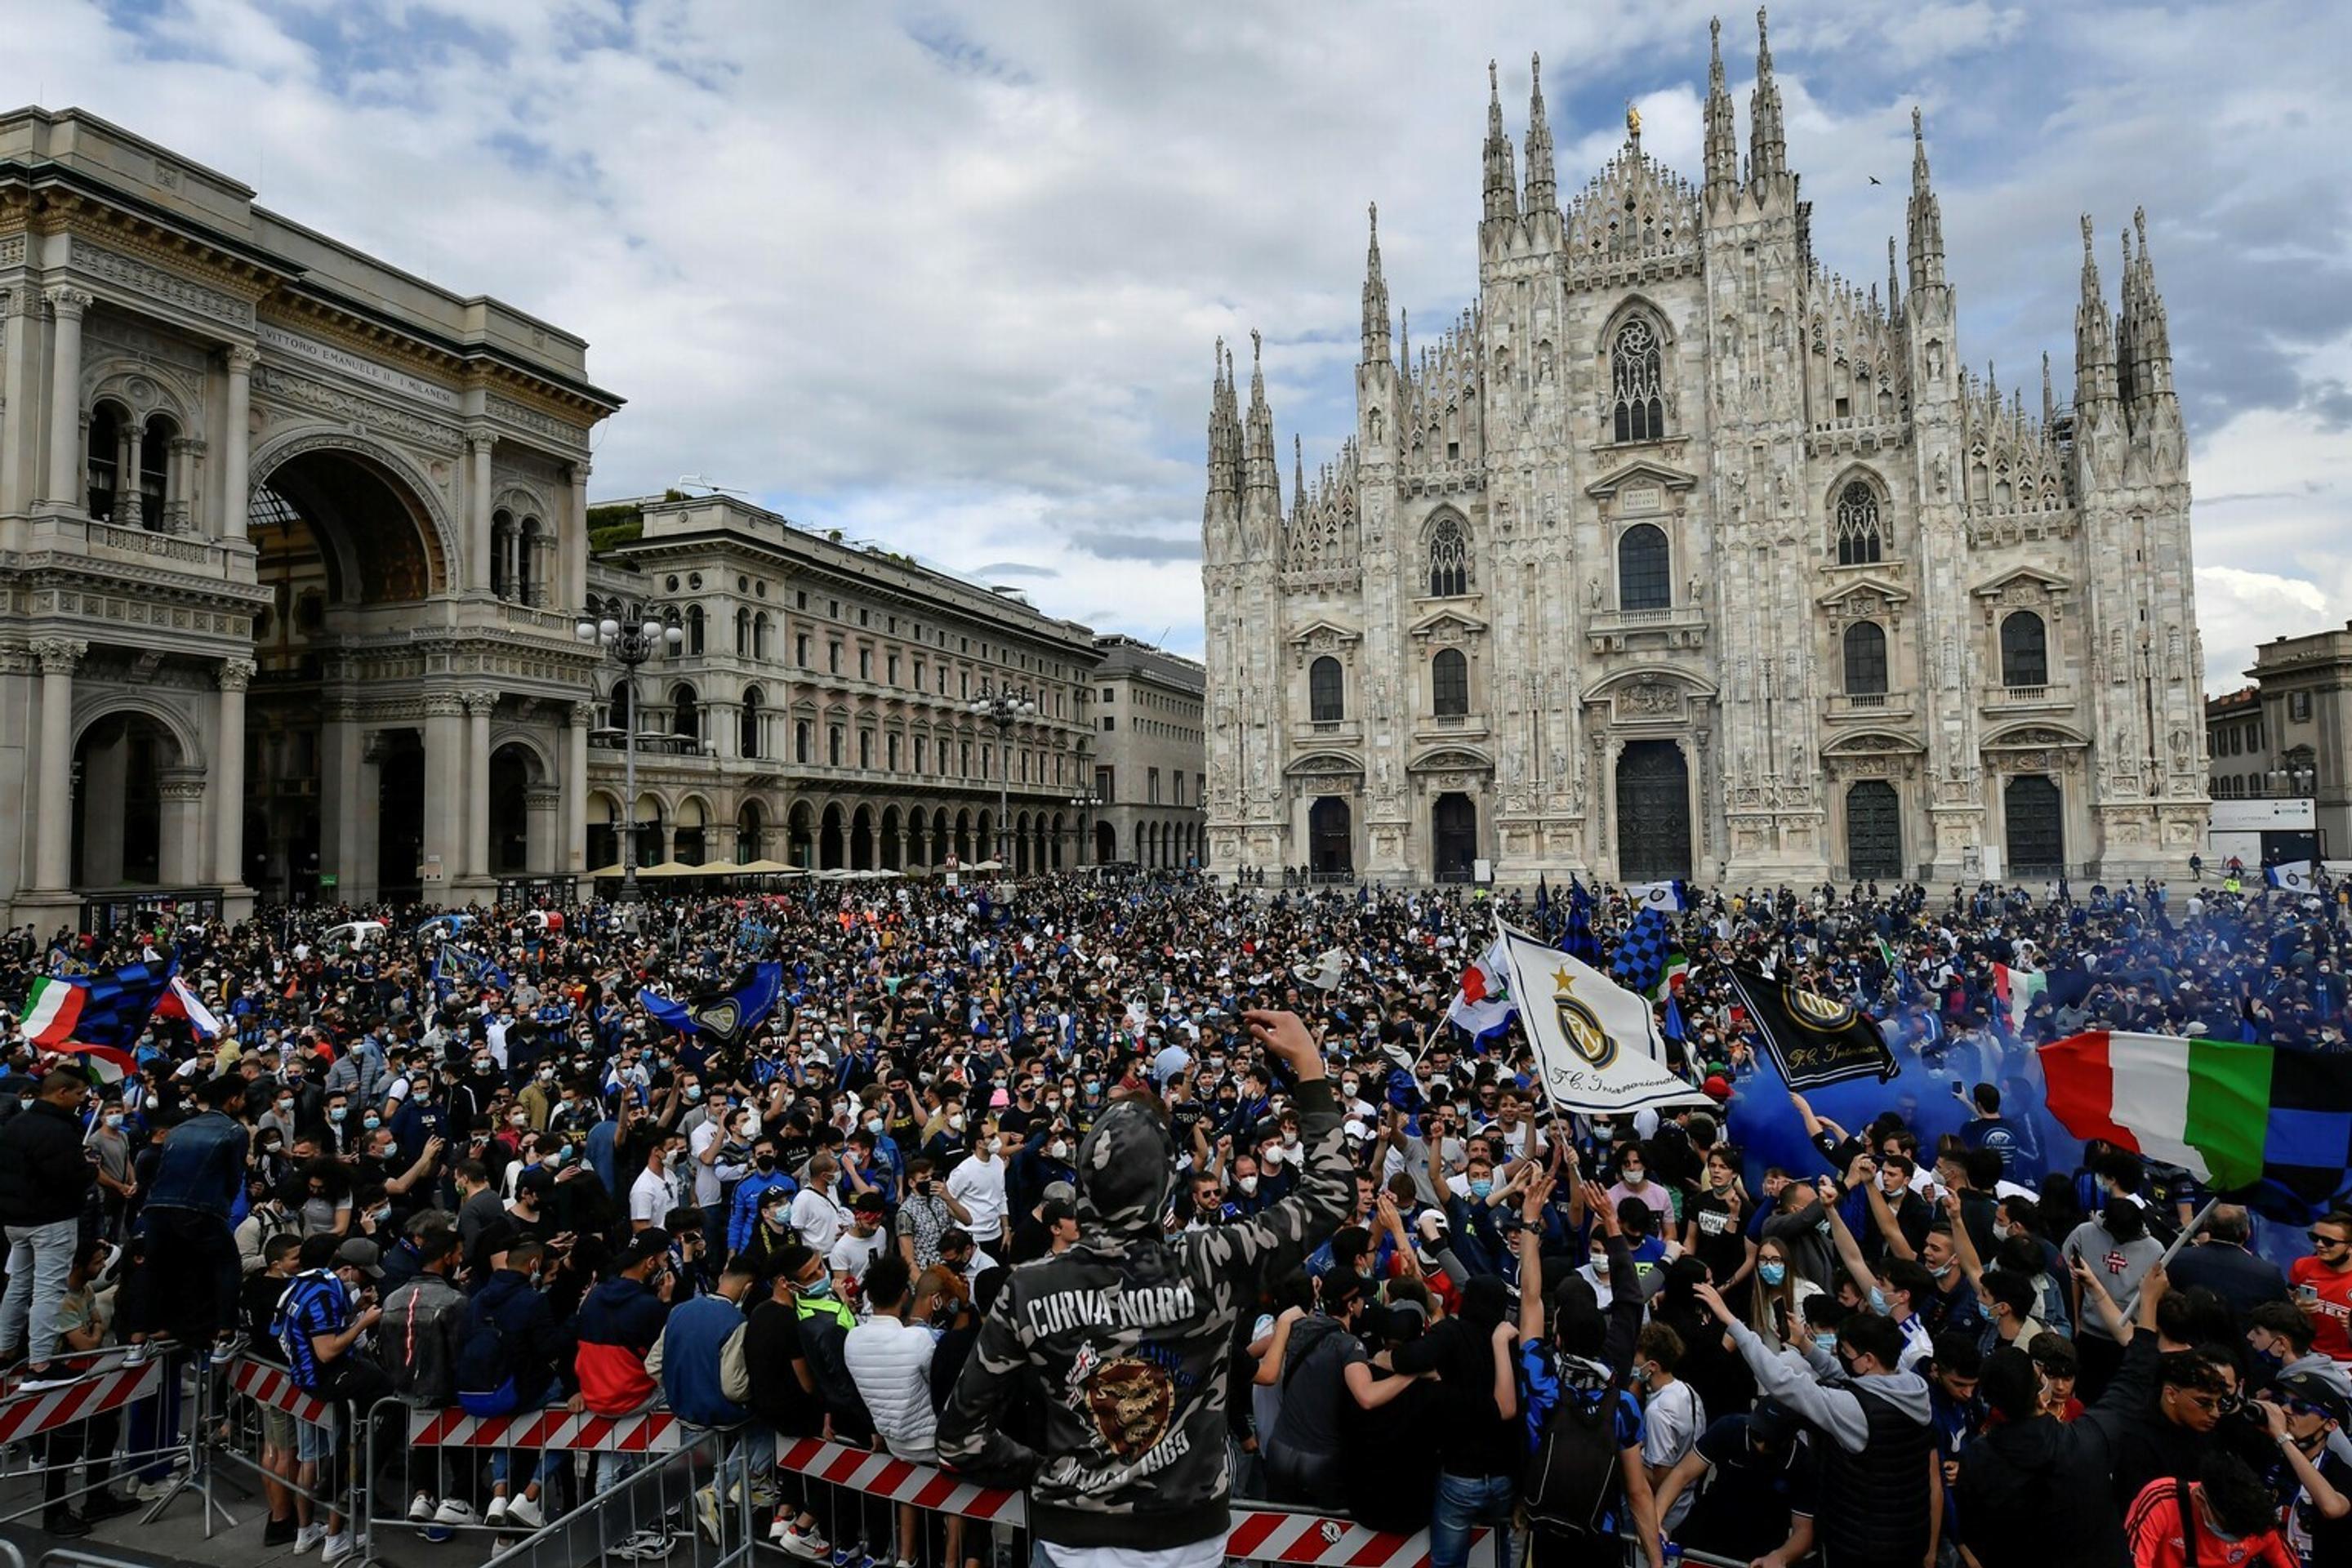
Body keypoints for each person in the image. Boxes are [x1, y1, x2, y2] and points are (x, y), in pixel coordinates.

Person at [938, 1009, 1350, 1568]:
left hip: (1069, 1540)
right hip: (1188, 1538)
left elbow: (960, 1439)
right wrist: (1307, 1068)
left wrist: (1047, 1470)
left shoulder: (1027, 1287)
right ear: (1165, 1190)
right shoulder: (1213, 1259)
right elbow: (1329, 1197)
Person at [1698, 1280, 1940, 1568]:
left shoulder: (1854, 1409)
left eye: (1847, 1353)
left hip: (1862, 1549)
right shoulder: (1914, 1388)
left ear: (1868, 1360)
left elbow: (1783, 1382)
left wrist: (1731, 1322)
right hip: (1909, 1536)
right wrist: (1804, 1343)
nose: (1842, 1358)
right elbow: (1851, 1376)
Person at [844, 1254, 961, 1568]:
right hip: (930, 1441)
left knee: (907, 1490)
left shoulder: (852, 1339)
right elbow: (938, 1386)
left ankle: (906, 1557)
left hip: (894, 1440)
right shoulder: (919, 1340)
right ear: (905, 1294)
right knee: (959, 1497)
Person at [651, 1255, 764, 1546]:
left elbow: (653, 1365)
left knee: (692, 1471)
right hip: (721, 1414)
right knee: (763, 1432)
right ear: (748, 1287)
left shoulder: (678, 1311)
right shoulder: (737, 1322)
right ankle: (726, 1489)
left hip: (685, 1410)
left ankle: (704, 1510)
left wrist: (681, 1384)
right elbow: (734, 1387)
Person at [0, 1068, 98, 1386]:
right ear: (61, 1093)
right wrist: (89, 1171)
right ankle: (40, 1366)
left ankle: (5, 1351)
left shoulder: (15, 1125)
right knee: (48, 1290)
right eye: (80, 1094)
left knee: (18, 1285)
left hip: (16, 1220)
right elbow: (68, 1177)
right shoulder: (57, 1131)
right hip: (50, 1221)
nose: (83, 1101)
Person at [2125, 1453, 2298, 1567]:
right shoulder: (2161, 1500)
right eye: (2230, 1529)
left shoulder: (2257, 1520)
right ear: (2201, 1500)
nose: (2236, 1539)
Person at [2167, 1205, 2289, 1320]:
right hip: (2243, 1340)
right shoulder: (2268, 1273)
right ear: (2247, 1233)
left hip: (2187, 1337)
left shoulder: (2177, 1258)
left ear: (2207, 1226)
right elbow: (2284, 1316)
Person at [2291, 1209, 2352, 1366]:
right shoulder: (2302, 1267)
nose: (2319, 1245)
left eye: (2328, 1241)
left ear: (2350, 1247)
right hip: (2308, 1356)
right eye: (2315, 1238)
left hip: (2347, 1364)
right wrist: (2295, 1309)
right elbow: (2286, 1307)